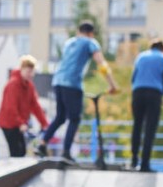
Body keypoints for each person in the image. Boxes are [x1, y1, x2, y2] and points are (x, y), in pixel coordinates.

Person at [33, 21, 119, 164]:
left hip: (57, 81)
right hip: (72, 84)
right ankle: (66, 152)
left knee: (60, 117)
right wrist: (112, 85)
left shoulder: (69, 43)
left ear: (79, 31)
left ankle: (42, 144)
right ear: (91, 33)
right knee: (74, 119)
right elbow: (101, 63)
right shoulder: (91, 42)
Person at [130, 38, 163, 172]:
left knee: (137, 125)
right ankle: (145, 164)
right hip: (154, 93)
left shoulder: (141, 57)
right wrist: (160, 94)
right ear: (162, 48)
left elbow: (133, 77)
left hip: (138, 92)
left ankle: (133, 160)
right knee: (150, 128)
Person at [0, 55, 49, 158]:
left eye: (32, 72)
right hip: (9, 123)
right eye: (28, 71)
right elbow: (11, 107)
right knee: (16, 151)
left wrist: (44, 123)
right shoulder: (13, 84)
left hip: (19, 124)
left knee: (22, 151)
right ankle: (12, 171)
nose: (30, 74)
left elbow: (35, 105)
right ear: (22, 69)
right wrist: (20, 123)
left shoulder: (29, 86)